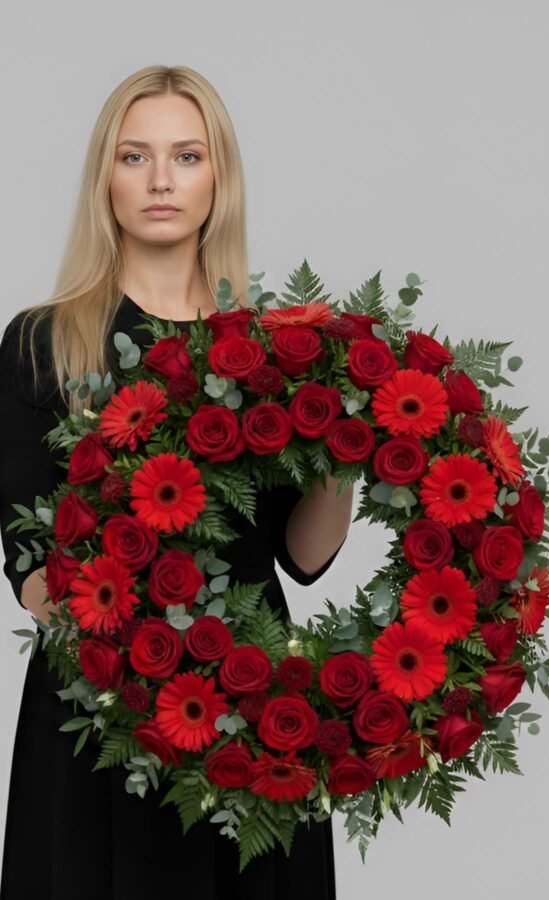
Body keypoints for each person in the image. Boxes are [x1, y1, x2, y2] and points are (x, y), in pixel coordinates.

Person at [0, 65, 353, 899]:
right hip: (99, 712)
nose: (161, 179)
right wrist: (158, 669)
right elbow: (36, 573)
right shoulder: (43, 344)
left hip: (255, 701)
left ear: (217, 179)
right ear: (106, 180)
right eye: (136, 156)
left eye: (187, 155)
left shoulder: (275, 348)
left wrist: (345, 441)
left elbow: (300, 558)